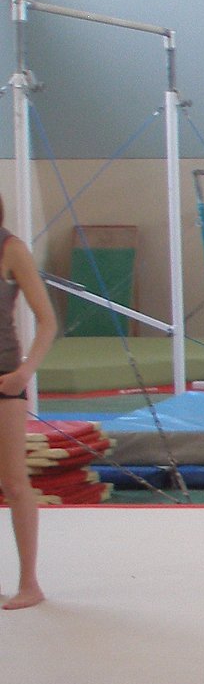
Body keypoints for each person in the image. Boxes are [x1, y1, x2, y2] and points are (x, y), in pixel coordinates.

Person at [0, 195, 58, 610]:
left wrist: (25, 371)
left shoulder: (11, 248)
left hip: (5, 377)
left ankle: (29, 583)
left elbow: (47, 321)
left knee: (14, 482)